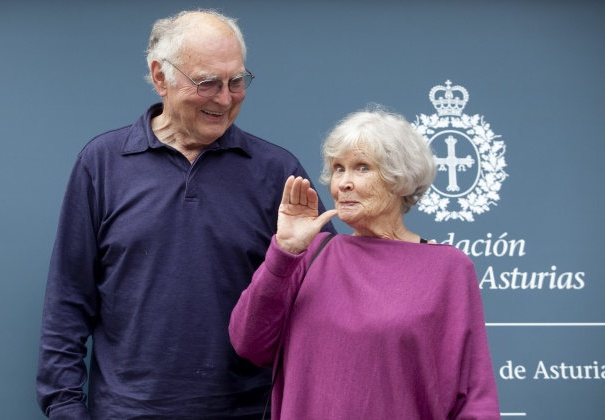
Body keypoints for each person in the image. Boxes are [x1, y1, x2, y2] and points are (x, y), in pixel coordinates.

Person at [36, 9, 334, 419]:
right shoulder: (101, 163)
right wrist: (64, 406)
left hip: (251, 411)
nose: (225, 98)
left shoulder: (278, 173)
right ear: (161, 76)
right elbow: (68, 299)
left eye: (236, 81)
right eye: (207, 82)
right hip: (127, 411)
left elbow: (329, 304)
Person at [229, 105, 501, 419]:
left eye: (361, 168)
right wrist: (284, 251)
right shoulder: (309, 256)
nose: (342, 183)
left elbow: (474, 395)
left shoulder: (448, 267)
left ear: (400, 180)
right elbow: (248, 344)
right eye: (338, 169)